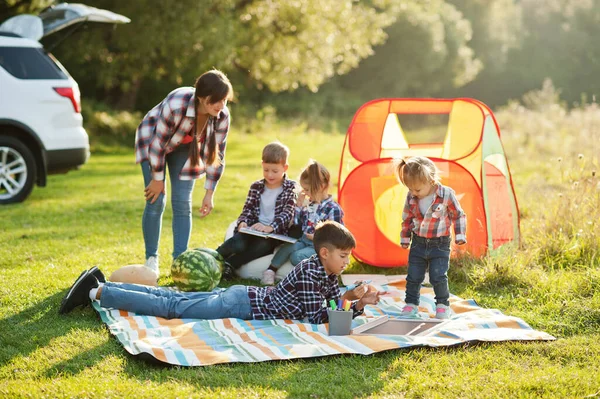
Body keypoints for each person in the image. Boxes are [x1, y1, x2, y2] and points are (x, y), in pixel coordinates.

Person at [58, 221, 386, 324]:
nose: (346, 263)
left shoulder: (326, 273)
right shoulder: (311, 271)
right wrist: (356, 308)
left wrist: (352, 298)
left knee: (172, 297)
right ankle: (98, 292)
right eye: (343, 256)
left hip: (241, 296)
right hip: (239, 304)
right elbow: (320, 317)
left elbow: (330, 304)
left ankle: (103, 284)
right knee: (173, 308)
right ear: (325, 253)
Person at [134, 69, 234, 276]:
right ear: (201, 98)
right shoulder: (176, 105)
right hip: (153, 140)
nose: (221, 106)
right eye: (216, 100)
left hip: (185, 148)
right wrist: (157, 179)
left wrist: (209, 193)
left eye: (224, 100)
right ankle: (151, 259)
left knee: (182, 202)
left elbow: (218, 155)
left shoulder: (222, 116)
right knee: (156, 200)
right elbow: (157, 145)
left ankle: (180, 261)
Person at [394, 156, 467, 319]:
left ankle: (442, 305)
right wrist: (405, 238)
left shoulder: (446, 194)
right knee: (413, 276)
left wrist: (460, 234)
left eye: (417, 190)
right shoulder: (411, 196)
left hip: (440, 244)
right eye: (410, 189)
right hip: (418, 243)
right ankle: (411, 304)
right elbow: (406, 218)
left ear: (431, 180)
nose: (413, 193)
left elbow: (458, 215)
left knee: (438, 276)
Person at [215, 141, 297, 279]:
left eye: (275, 171)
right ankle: (212, 257)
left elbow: (288, 213)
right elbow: (248, 209)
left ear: (285, 168)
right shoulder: (256, 186)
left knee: (262, 246)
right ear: (262, 165)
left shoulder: (290, 187)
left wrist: (270, 227)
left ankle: (231, 264)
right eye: (266, 170)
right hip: (253, 229)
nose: (270, 175)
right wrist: (243, 223)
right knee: (238, 243)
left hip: (273, 234)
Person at [261, 160, 344, 285]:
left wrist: (318, 237)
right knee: (287, 248)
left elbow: (338, 236)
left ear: (321, 187)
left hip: (320, 247)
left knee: (296, 257)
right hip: (304, 240)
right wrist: (299, 206)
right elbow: (297, 223)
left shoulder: (333, 209)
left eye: (308, 190)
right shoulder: (310, 204)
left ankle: (308, 277)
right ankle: (270, 271)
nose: (305, 193)